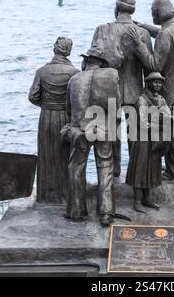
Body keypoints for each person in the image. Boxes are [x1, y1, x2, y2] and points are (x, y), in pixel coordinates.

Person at [90, 0, 153, 177]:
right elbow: (149, 68)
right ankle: (135, 171)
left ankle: (114, 169)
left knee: (111, 133)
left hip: (109, 91)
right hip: (136, 91)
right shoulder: (143, 34)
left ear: (117, 8)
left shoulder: (103, 30)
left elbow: (93, 64)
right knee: (135, 133)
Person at [128, 0, 174, 181]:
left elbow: (155, 65)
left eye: (153, 11)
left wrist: (138, 44)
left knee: (172, 133)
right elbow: (164, 35)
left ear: (158, 13)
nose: (152, 14)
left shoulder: (165, 35)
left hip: (169, 93)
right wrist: (146, 27)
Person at [61, 47, 121, 226]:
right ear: (102, 63)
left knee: (76, 168)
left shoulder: (74, 79)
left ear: (86, 61)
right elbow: (116, 106)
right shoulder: (111, 76)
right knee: (105, 168)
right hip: (103, 129)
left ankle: (76, 211)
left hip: (80, 130)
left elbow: (69, 110)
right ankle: (106, 213)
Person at [28, 37, 79, 203]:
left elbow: (33, 96)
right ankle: (65, 195)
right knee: (65, 156)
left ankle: (45, 195)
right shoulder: (74, 73)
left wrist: (46, 105)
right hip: (66, 117)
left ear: (54, 49)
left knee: (46, 155)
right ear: (69, 52)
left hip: (46, 117)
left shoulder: (41, 72)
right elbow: (77, 99)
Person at [125, 72, 171, 213]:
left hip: (155, 138)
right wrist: (160, 120)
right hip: (142, 139)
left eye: (160, 82)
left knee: (152, 167)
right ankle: (137, 201)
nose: (158, 85)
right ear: (148, 83)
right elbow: (143, 122)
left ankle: (147, 198)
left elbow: (168, 116)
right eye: (155, 82)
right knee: (140, 168)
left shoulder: (161, 99)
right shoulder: (142, 100)